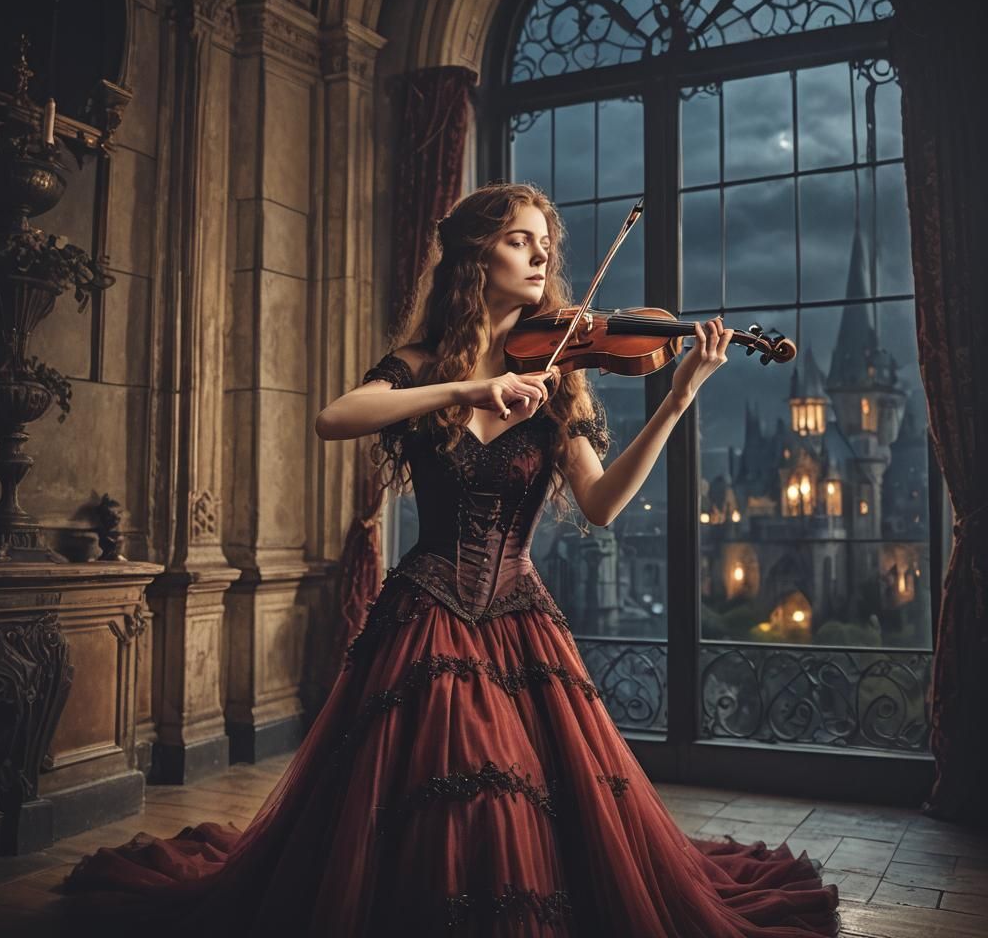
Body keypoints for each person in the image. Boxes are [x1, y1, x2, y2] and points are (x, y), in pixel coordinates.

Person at [59, 182, 840, 937]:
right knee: (444, 805)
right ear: (476, 255)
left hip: (519, 615)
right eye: (519, 240)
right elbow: (338, 417)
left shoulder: (562, 374)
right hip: (426, 611)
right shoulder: (424, 362)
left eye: (545, 245)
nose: (540, 259)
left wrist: (676, 399)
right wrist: (465, 391)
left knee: (523, 808)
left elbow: (601, 507)